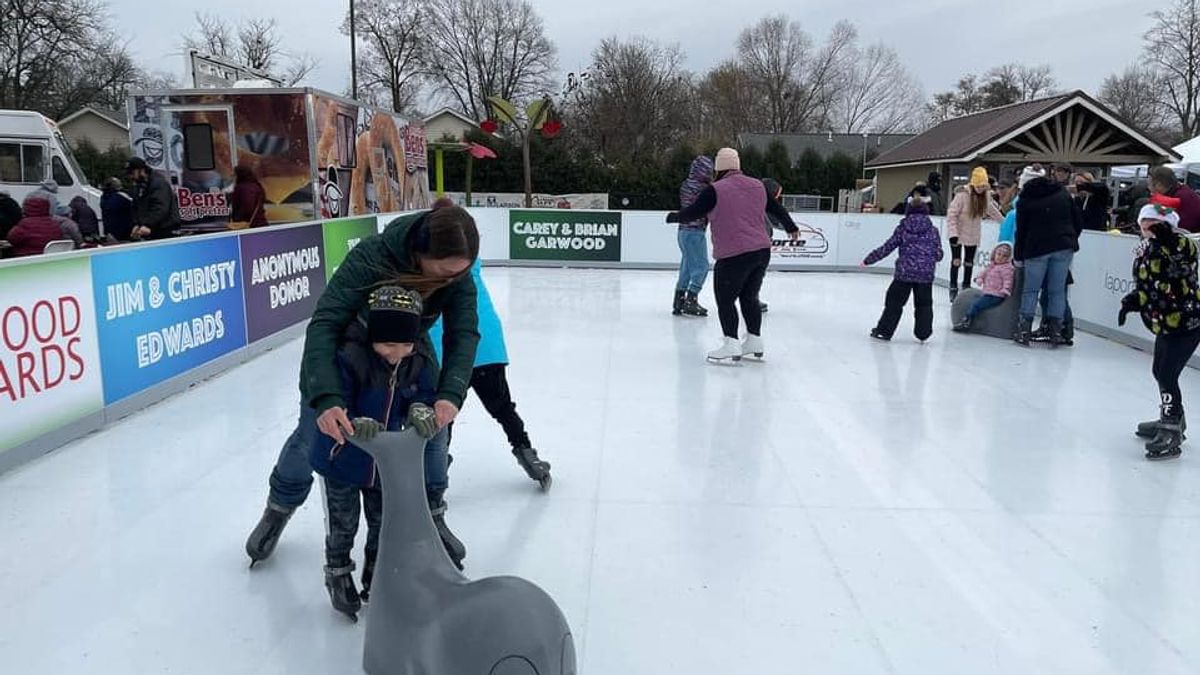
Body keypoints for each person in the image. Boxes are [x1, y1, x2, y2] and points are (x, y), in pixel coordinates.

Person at [245, 205, 481, 570]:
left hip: (409, 354)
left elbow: (463, 332)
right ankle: (280, 505)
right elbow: (325, 323)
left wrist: (450, 393)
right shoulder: (373, 256)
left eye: (461, 272)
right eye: (446, 272)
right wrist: (325, 397)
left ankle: (433, 512)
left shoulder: (457, 276)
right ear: (420, 254)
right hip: (348, 357)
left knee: (434, 434)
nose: (453, 279)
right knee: (312, 435)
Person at [308, 285, 441, 620]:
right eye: (388, 345)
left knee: (383, 522)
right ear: (372, 337)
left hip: (386, 461)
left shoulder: (417, 360)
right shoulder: (349, 357)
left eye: (405, 344)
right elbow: (335, 399)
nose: (397, 353)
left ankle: (377, 573)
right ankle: (338, 572)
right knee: (344, 523)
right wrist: (352, 420)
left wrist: (421, 409)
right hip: (342, 459)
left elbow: (424, 393)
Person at [427, 198, 552, 489]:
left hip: (450, 351)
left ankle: (434, 468)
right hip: (487, 345)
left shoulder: (431, 264)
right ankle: (528, 455)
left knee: (444, 416)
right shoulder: (471, 257)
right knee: (503, 407)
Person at [665, 148, 800, 364]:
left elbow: (695, 211)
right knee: (749, 296)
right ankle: (754, 339)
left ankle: (731, 342)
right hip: (761, 252)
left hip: (734, 254)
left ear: (718, 167)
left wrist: (675, 217)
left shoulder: (715, 189)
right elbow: (776, 208)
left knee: (726, 299)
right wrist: (791, 227)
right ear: (737, 165)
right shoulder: (757, 185)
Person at [1120, 204, 1200, 460]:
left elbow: (1184, 263)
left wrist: (1168, 239)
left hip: (1187, 321)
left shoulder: (1179, 243)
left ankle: (1171, 428)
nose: (1146, 227)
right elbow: (1149, 280)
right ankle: (1173, 416)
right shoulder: (1146, 248)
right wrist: (1133, 300)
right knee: (1159, 371)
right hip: (1164, 321)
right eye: (1144, 222)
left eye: (1153, 223)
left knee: (1167, 373)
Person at [862, 186, 944, 342]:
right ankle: (923, 333)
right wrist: (930, 258)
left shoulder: (903, 228)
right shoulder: (933, 230)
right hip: (925, 274)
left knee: (894, 302)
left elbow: (888, 246)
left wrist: (869, 259)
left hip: (904, 273)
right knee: (924, 304)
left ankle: (884, 331)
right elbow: (939, 254)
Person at [1013, 168, 1081, 346]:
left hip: (1036, 249)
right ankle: (1055, 331)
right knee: (1057, 291)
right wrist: (1070, 238)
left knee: (1031, 290)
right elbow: (1077, 221)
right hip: (1063, 246)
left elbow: (1021, 231)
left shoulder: (1025, 199)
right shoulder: (1062, 193)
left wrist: (1018, 256)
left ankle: (1024, 331)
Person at [945, 167, 1003, 300]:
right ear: (973, 184)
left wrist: (1005, 222)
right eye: (978, 185)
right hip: (957, 234)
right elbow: (951, 215)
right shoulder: (962, 195)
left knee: (969, 262)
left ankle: (966, 286)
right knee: (956, 261)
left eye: (983, 186)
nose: (980, 188)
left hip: (973, 234)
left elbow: (992, 211)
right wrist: (953, 234)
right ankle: (953, 287)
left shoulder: (985, 197)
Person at [674, 156, 713, 317]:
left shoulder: (686, 184)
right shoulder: (703, 188)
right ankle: (691, 299)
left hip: (683, 232)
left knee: (687, 267)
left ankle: (679, 299)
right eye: (709, 171)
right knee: (702, 266)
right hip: (695, 231)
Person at [953, 243, 1015, 333]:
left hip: (996, 295)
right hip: (988, 292)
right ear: (994, 254)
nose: (1000, 257)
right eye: (999, 254)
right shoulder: (992, 266)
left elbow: (1008, 280)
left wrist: (1005, 290)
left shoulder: (1006, 269)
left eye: (1004, 256)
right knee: (976, 301)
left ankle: (967, 321)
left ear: (1008, 258)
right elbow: (983, 273)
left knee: (976, 305)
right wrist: (979, 279)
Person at [125, 157, 180, 240]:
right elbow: (135, 207)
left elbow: (160, 208)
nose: (130, 176)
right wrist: (137, 224)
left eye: (132, 172)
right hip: (151, 230)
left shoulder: (158, 184)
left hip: (165, 230)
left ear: (142, 170)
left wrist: (147, 224)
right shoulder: (139, 186)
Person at [7, 193, 76, 256]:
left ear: (26, 208)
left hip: (26, 259)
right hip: (50, 259)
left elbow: (12, 239)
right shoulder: (55, 224)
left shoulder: (25, 224)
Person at [1148, 165, 1200, 233]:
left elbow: (1163, 217)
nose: (1148, 187)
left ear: (1159, 185)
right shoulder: (1180, 191)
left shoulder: (1180, 196)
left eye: (1149, 183)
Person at [230, 164, 269, 228]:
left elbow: (248, 205)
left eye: (235, 175)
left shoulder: (243, 187)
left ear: (240, 175)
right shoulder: (256, 185)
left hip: (250, 224)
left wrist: (238, 218)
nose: (233, 177)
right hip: (259, 222)